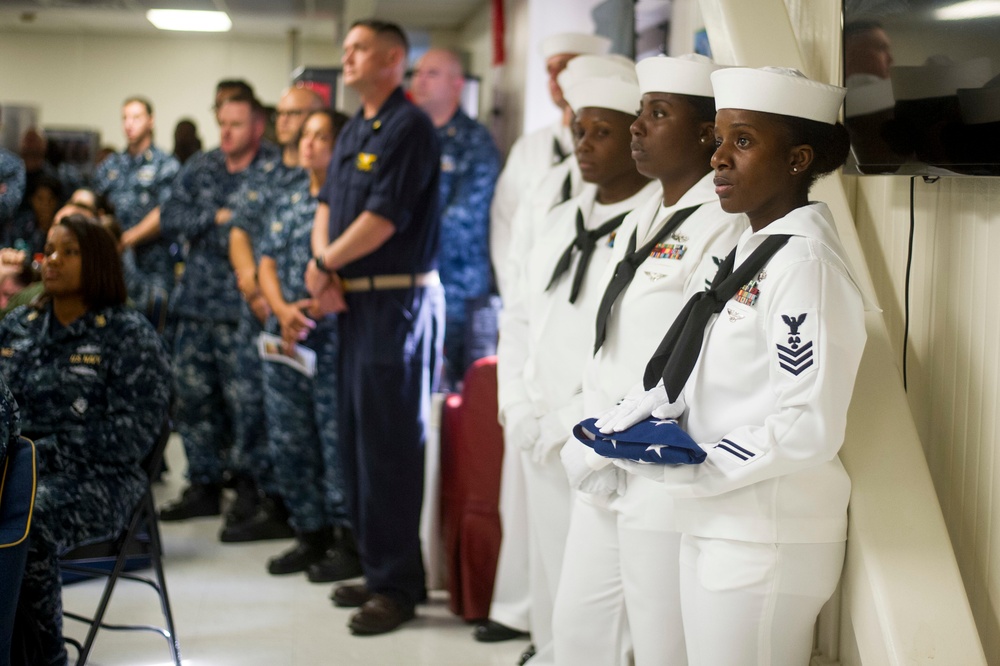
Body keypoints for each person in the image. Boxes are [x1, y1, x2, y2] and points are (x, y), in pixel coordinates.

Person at [595, 65, 867, 666]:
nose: (718, 158)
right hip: (720, 521)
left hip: (764, 533)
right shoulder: (754, 250)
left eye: (742, 141)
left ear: (798, 160)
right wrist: (643, 421)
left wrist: (700, 467)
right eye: (719, 139)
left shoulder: (806, 266)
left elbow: (806, 422)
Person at [552, 54, 746, 666]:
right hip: (604, 451)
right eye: (639, 113)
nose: (637, 127)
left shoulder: (725, 226)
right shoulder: (643, 215)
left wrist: (621, 429)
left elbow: (692, 358)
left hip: (659, 462)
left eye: (656, 114)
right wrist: (588, 424)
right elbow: (608, 337)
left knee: (662, 641)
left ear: (703, 135)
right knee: (578, 628)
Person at [496, 58, 657, 666]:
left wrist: (565, 418)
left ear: (636, 134)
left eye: (602, 132)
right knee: (547, 567)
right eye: (578, 131)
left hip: (591, 429)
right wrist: (517, 403)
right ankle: (545, 650)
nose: (583, 146)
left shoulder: (652, 229)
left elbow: (639, 351)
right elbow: (518, 316)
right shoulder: (560, 219)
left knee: (595, 594)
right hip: (535, 420)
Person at [305, 19, 444, 636]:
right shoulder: (357, 126)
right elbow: (329, 205)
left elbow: (385, 218)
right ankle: (377, 563)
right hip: (353, 302)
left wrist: (325, 262)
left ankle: (397, 586)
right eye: (347, 48)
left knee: (390, 444)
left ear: (392, 59)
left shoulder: (409, 127)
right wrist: (321, 262)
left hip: (397, 304)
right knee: (358, 442)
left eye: (358, 48)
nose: (347, 56)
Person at [478, 31, 612, 649]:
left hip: (583, 399)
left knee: (582, 540)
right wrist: (521, 382)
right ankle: (525, 613)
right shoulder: (536, 156)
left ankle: (558, 637)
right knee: (529, 504)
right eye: (551, 68)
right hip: (533, 355)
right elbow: (511, 238)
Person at [1, 213, 171, 665]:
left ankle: (43, 655)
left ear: (96, 263)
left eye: (68, 252)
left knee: (27, 524)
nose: (52, 260)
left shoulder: (128, 336)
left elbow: (132, 437)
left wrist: (35, 456)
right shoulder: (17, 326)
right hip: (18, 473)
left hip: (99, 479)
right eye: (49, 250)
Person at [158, 91, 280, 525]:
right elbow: (171, 215)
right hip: (195, 302)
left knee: (246, 401)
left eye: (236, 125)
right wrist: (217, 218)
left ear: (257, 126)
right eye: (222, 123)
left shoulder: (274, 168)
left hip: (245, 306)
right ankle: (204, 483)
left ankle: (249, 486)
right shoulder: (203, 166)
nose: (226, 132)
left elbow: (272, 227)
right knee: (194, 397)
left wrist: (226, 221)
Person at [219, 86, 324, 544]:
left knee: (309, 422)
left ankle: (314, 516)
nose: (286, 122)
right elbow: (240, 232)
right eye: (281, 114)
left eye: (296, 114)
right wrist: (254, 286)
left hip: (307, 317)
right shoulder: (262, 173)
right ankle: (269, 498)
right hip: (259, 309)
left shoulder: (322, 173)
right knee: (257, 409)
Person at [255, 108, 357, 578]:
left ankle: (346, 540)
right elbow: (267, 262)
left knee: (335, 441)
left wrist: (308, 311)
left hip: (334, 336)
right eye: (306, 136)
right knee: (290, 439)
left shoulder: (351, 203)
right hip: (289, 337)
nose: (309, 144)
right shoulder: (291, 198)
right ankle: (309, 533)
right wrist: (282, 311)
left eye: (321, 136)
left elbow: (352, 273)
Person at [490, 32, 611, 299]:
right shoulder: (528, 147)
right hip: (528, 291)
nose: (556, 79)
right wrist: (513, 294)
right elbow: (504, 222)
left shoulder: (619, 149)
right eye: (550, 71)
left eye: (566, 67)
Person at [410, 47, 501, 387]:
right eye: (417, 73)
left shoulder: (475, 142)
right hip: (411, 287)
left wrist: (398, 238)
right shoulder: (409, 136)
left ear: (457, 84)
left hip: (460, 291)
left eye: (431, 73)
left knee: (461, 395)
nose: (419, 80)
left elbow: (464, 218)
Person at [93, 96, 181, 339]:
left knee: (152, 337)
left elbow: (165, 212)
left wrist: (127, 239)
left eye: (136, 117)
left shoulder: (166, 165)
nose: (129, 124)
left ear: (150, 121)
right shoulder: (111, 165)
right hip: (112, 267)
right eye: (125, 118)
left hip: (152, 269)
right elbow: (95, 206)